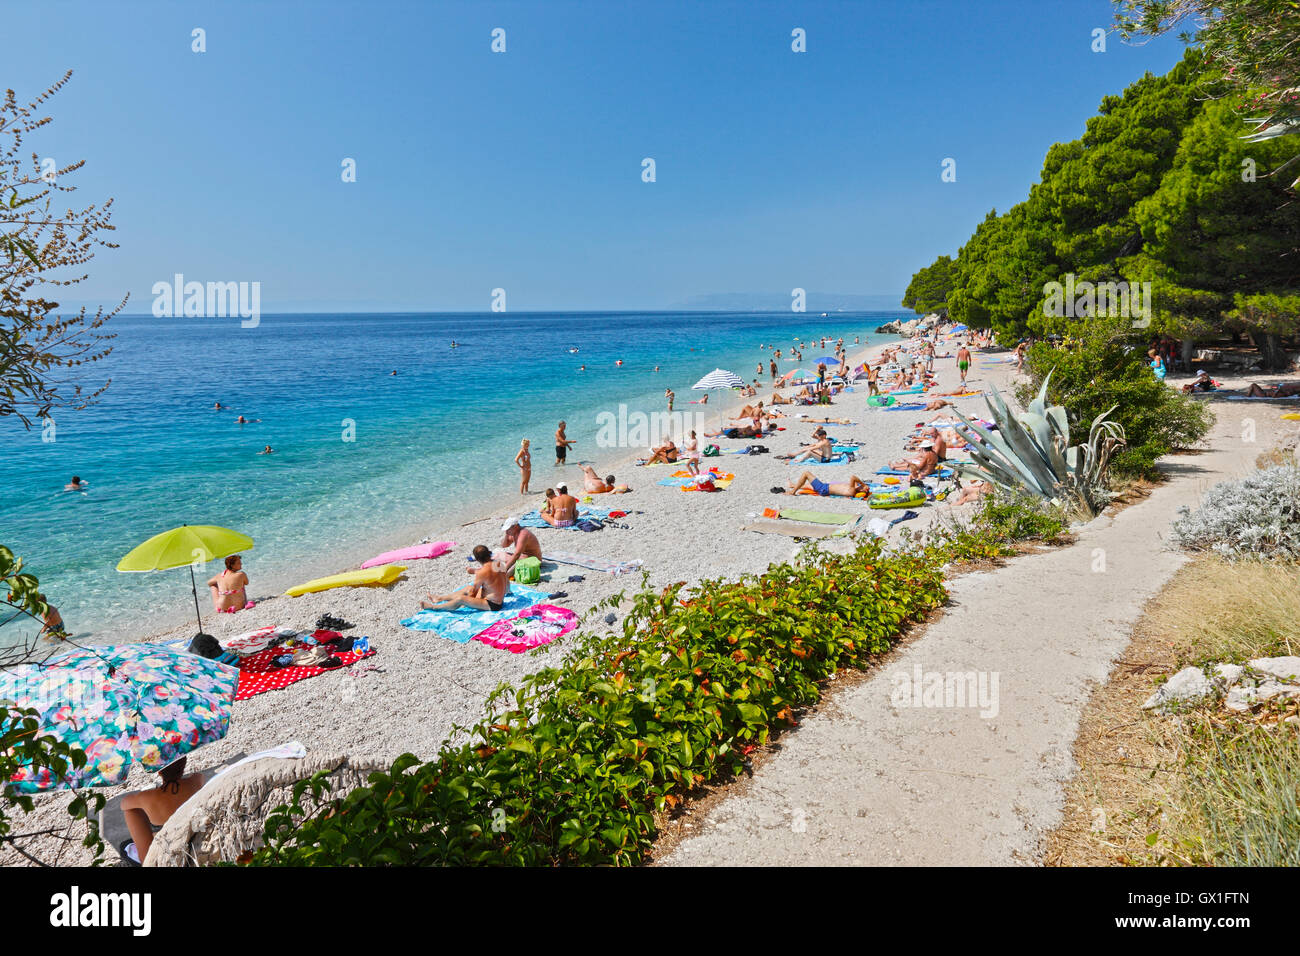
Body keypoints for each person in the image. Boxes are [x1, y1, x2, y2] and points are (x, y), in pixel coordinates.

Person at [119, 757, 205, 864]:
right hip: (195, 835)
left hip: (168, 849)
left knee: (130, 813)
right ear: (183, 766)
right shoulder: (196, 780)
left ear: (159, 772)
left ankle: (147, 861)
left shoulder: (148, 797)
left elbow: (123, 804)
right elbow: (197, 775)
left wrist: (151, 793)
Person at [423, 544, 509, 611]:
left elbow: (473, 593)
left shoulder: (481, 572)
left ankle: (434, 607)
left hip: (493, 605)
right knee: (468, 588)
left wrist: (467, 602)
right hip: (499, 600)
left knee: (461, 599)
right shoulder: (498, 563)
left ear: (477, 559)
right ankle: (439, 598)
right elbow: (504, 579)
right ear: (488, 554)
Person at [786, 472, 871, 498]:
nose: (860, 486)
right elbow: (855, 482)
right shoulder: (854, 487)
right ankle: (792, 485)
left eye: (861, 487)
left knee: (806, 474)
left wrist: (863, 484)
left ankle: (793, 492)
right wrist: (863, 487)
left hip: (823, 489)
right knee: (809, 485)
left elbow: (853, 477)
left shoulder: (852, 491)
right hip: (825, 488)